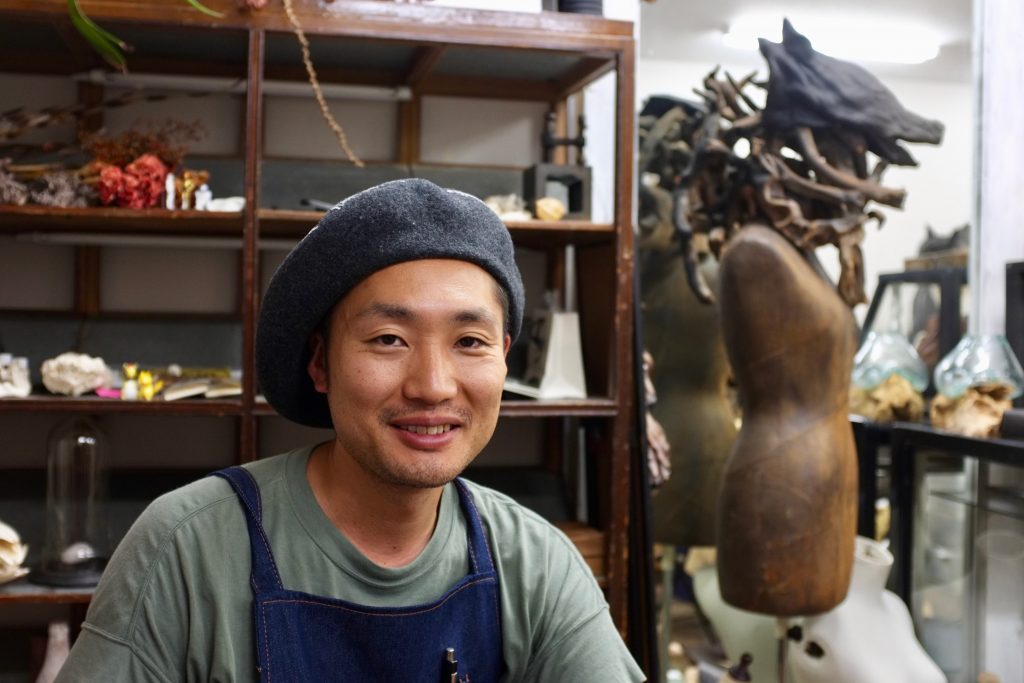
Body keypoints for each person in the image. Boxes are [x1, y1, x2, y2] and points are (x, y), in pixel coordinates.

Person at [56, 178, 645, 682]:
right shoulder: (188, 549)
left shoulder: (534, 563)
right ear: (321, 363)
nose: (433, 386)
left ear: (505, 359)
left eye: (470, 341)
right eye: (389, 339)